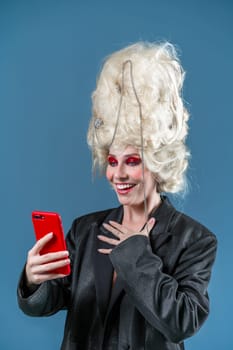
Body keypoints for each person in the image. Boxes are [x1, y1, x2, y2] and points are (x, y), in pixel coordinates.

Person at [17, 42, 217, 350]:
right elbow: (49, 302)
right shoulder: (85, 231)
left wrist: (136, 252)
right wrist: (33, 280)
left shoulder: (195, 240)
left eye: (132, 161)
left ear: (157, 162)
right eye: (112, 162)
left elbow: (181, 322)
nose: (117, 175)